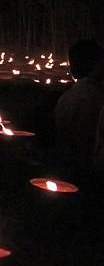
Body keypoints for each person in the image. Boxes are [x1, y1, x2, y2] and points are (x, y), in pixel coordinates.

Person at [55, 40, 104, 179]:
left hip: (68, 166)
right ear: (95, 64)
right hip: (89, 173)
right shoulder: (95, 98)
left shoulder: (66, 97)